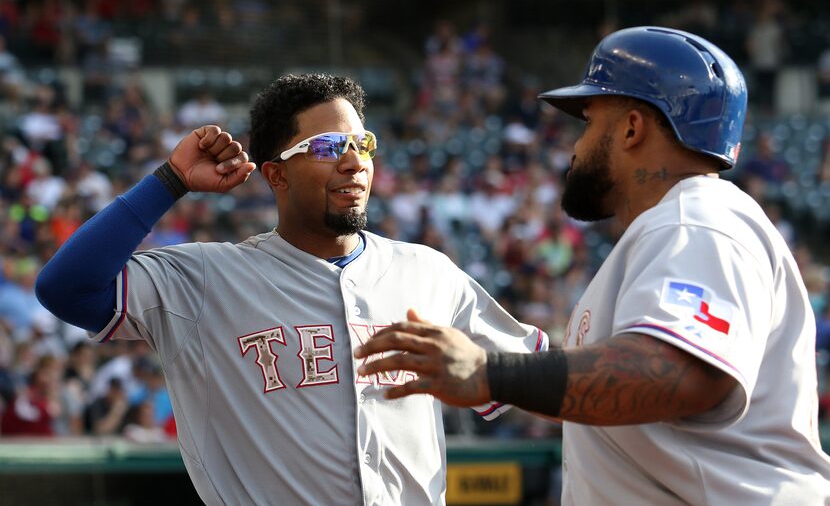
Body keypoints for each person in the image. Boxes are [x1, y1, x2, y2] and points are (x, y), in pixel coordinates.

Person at [355, 26, 830, 504]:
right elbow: (622, 398)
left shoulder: (696, 220)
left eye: (587, 122)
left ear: (631, 127)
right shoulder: (672, 229)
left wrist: (490, 372)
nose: (575, 147)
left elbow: (679, 374)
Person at [35, 73, 547, 505]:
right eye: (327, 147)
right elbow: (67, 289)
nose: (353, 161)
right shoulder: (207, 279)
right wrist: (169, 180)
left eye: (361, 143)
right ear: (276, 174)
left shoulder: (429, 272)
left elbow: (545, 379)